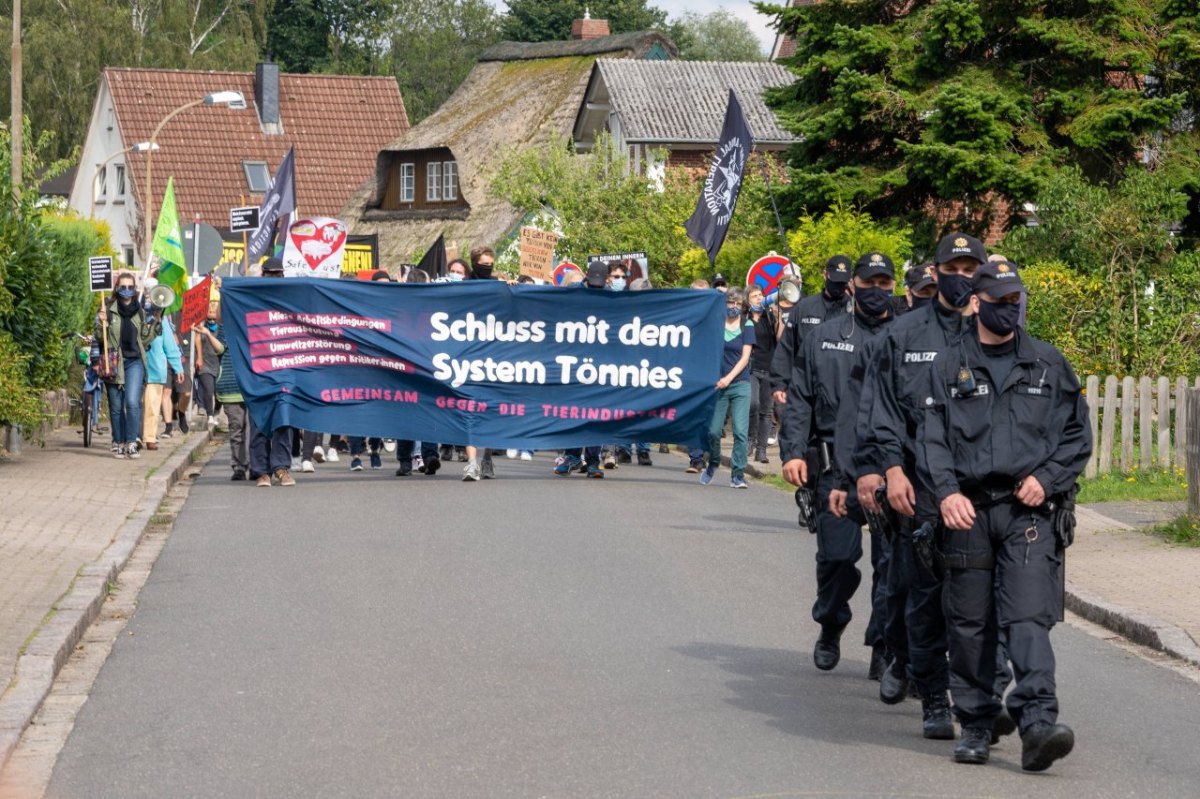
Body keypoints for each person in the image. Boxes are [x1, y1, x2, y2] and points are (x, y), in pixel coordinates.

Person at [916, 259, 1090, 770]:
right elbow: (932, 440)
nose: (1011, 311)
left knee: (1028, 617)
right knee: (969, 624)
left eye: (1017, 302)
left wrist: (1049, 477)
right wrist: (946, 493)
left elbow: (1077, 436)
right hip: (968, 512)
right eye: (1000, 303)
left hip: (1027, 512)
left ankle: (1037, 724)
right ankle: (974, 723)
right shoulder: (947, 367)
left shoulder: (1048, 364)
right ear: (977, 304)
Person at [851, 233, 988, 739]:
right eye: (953, 265)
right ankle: (931, 694)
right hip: (916, 485)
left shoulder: (994, 334)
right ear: (936, 271)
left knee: (978, 598)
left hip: (977, 487)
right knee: (921, 594)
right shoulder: (902, 335)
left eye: (971, 265)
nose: (962, 274)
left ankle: (981, 691)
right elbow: (879, 410)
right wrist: (884, 470)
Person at [779, 252, 898, 676]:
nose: (877, 291)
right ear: (854, 286)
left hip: (890, 469)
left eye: (885, 283)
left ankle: (884, 646)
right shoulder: (823, 336)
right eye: (870, 283)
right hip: (834, 468)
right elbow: (801, 398)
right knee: (837, 559)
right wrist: (793, 451)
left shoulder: (905, 337)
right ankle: (830, 623)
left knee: (892, 568)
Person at [770, 255, 852, 404]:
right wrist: (779, 383)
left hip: (842, 393)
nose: (838, 285)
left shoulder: (855, 311)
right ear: (825, 274)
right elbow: (787, 347)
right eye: (835, 280)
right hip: (804, 389)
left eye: (842, 282)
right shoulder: (805, 307)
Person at [97, 271, 159, 459]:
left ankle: (132, 441)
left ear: (134, 289)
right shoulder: (107, 309)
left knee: (132, 402)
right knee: (116, 406)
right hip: (114, 362)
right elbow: (100, 338)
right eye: (122, 287)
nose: (126, 290)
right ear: (117, 288)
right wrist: (101, 324)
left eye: (130, 287)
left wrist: (156, 323)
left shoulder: (140, 311)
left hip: (134, 362)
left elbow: (145, 340)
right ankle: (118, 441)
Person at [248, 257, 296, 486]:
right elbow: (223, 317)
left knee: (284, 420)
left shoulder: (291, 299)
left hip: (285, 368)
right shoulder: (251, 297)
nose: (275, 278)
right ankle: (260, 471)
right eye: (271, 274)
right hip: (259, 368)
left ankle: (281, 468)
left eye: (279, 274)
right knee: (259, 420)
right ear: (263, 276)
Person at [700, 287, 754, 489]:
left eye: (739, 304)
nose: (734, 307)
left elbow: (745, 358)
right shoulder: (716, 324)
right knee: (713, 432)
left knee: (740, 431)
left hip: (740, 383)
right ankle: (713, 462)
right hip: (718, 385)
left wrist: (728, 378)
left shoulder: (746, 324)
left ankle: (738, 474)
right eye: (731, 303)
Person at [142, 304, 184, 451]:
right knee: (136, 405)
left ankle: (150, 437)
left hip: (156, 370)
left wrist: (178, 367)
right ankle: (134, 435)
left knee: (153, 406)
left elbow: (170, 345)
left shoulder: (162, 320)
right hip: (137, 366)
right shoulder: (139, 313)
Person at [746, 285, 779, 464]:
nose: (758, 299)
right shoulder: (746, 319)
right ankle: (750, 439)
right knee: (753, 404)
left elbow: (779, 337)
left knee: (766, 411)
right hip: (752, 368)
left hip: (769, 369)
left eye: (760, 296)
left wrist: (778, 316)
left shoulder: (770, 316)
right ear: (748, 300)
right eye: (754, 296)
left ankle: (761, 449)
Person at [193, 301, 224, 429]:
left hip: (219, 361)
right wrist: (199, 357)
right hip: (205, 361)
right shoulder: (202, 325)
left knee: (219, 391)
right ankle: (210, 415)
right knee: (208, 388)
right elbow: (197, 339)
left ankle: (216, 411)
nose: (211, 314)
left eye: (213, 312)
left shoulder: (221, 327)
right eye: (209, 311)